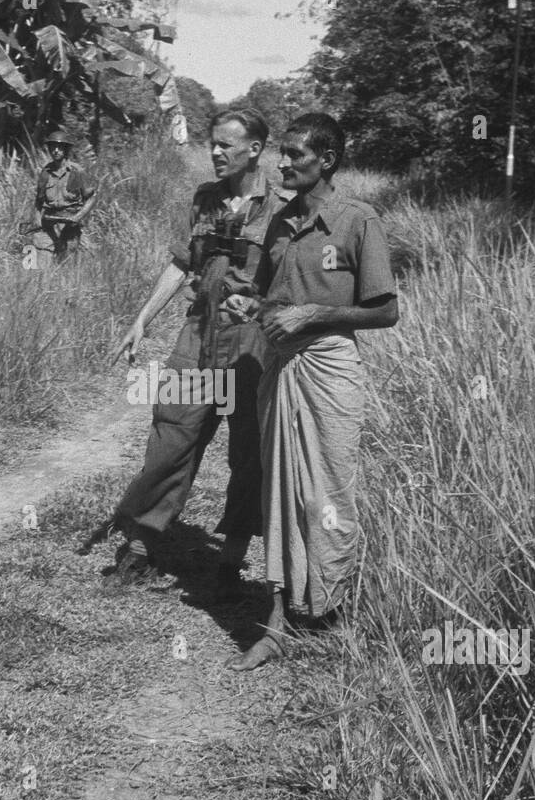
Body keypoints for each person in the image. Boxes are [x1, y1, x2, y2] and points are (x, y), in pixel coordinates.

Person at [225, 112, 398, 669]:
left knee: (329, 494)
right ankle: (275, 624)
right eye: (281, 153)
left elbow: (386, 311)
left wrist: (315, 314)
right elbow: (267, 295)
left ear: (326, 161)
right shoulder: (280, 224)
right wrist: (250, 305)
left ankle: (331, 610)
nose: (282, 164)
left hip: (330, 369)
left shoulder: (357, 221)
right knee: (280, 489)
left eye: (295, 155)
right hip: (280, 367)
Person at [110, 109, 286, 595]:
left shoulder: (283, 208)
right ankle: (143, 546)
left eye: (227, 145)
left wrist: (260, 303)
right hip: (198, 331)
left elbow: (293, 282)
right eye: (213, 144)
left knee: (248, 449)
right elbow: (182, 263)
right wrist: (141, 319)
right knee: (171, 434)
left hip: (251, 341)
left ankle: (231, 559)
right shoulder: (205, 199)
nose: (216, 152)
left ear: (255, 149)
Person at [26, 129, 96, 261]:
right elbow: (38, 201)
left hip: (69, 226)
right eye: (53, 147)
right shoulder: (46, 172)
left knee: (66, 265)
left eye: (59, 147)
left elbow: (91, 198)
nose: (56, 151)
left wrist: (78, 217)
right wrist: (36, 220)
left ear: (66, 149)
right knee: (38, 267)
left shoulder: (76, 172)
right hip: (49, 225)